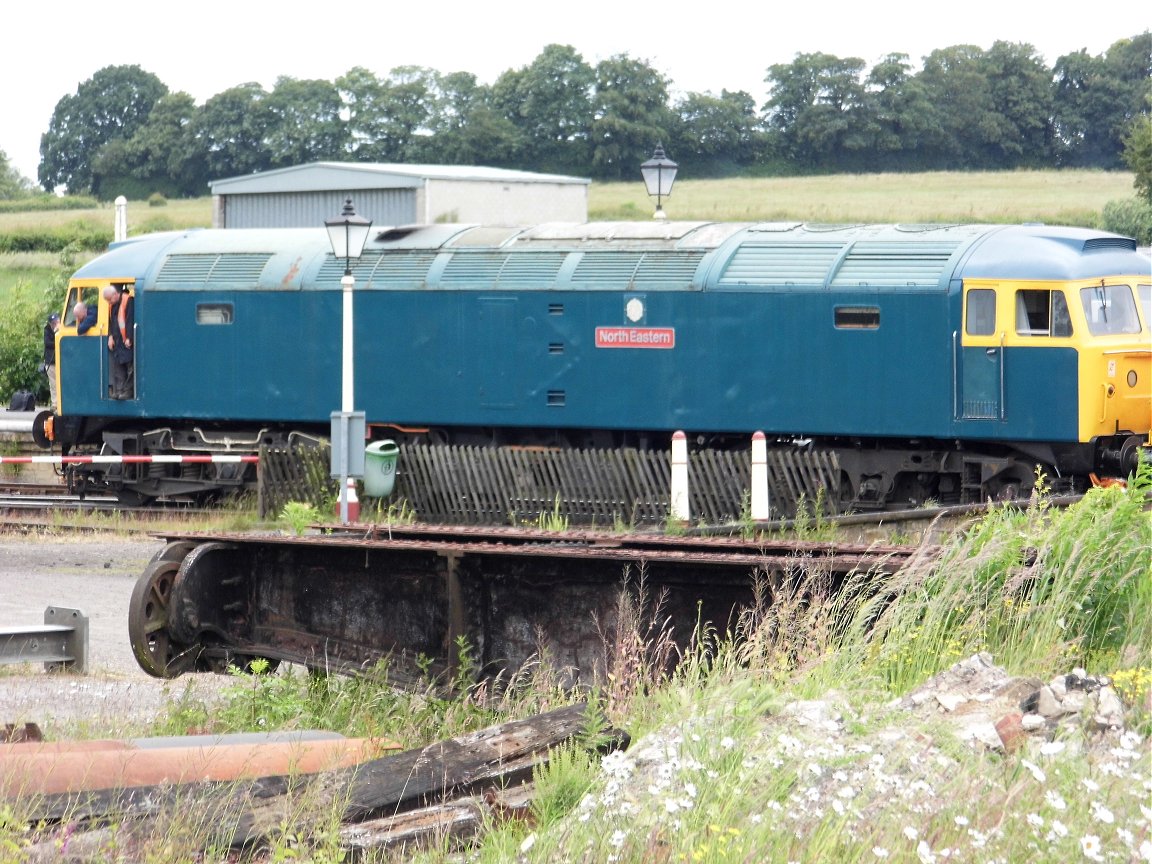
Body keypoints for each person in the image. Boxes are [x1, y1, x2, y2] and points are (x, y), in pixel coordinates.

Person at [105, 285, 134, 399]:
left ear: (115, 295)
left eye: (109, 299)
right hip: (117, 341)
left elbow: (130, 320)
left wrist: (129, 338)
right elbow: (112, 322)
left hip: (126, 341)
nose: (108, 302)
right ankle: (119, 390)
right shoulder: (112, 305)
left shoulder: (128, 300)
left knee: (130, 367)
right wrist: (110, 336)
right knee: (118, 367)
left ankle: (128, 391)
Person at [42, 312, 60, 411]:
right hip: (51, 361)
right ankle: (55, 403)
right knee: (53, 383)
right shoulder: (47, 330)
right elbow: (48, 343)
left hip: (61, 360)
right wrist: (56, 335)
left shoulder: (62, 329)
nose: (55, 324)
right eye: (53, 323)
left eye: (56, 322)